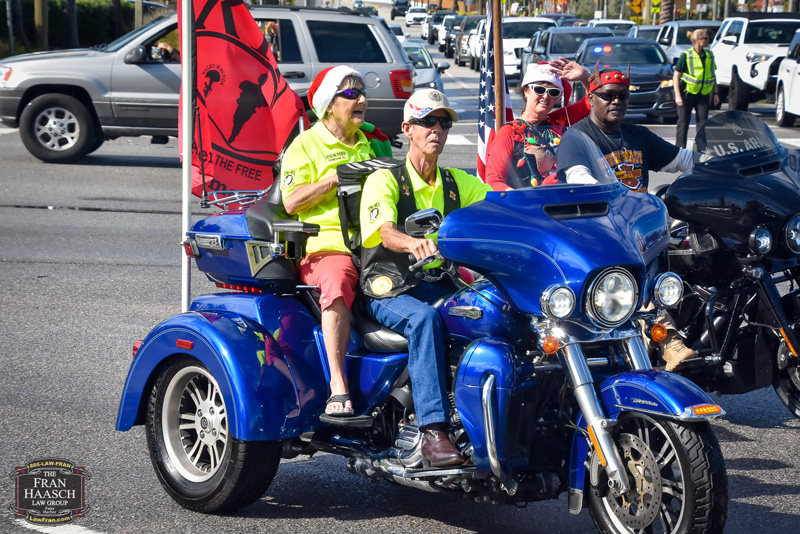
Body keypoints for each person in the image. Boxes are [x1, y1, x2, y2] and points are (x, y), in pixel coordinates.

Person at [359, 89, 491, 467]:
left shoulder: (456, 182)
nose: (437, 129)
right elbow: (384, 231)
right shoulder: (386, 180)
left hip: (439, 282)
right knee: (424, 321)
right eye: (428, 121)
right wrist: (412, 243)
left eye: (444, 122)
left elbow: (498, 203)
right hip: (390, 287)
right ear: (408, 129)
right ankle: (434, 432)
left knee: (495, 310)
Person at [556, 67, 699, 369]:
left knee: (696, 250)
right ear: (591, 97)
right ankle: (669, 341)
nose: (616, 102)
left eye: (622, 96)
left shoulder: (637, 134)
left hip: (642, 230)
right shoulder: (577, 137)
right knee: (640, 274)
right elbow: (578, 177)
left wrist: (718, 165)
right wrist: (613, 197)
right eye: (608, 96)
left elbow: (682, 160)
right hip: (600, 234)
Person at [280, 66, 375, 417]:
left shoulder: (369, 142)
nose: (362, 99)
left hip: (371, 242)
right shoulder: (306, 144)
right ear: (328, 105)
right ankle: (338, 385)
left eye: (362, 92)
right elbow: (291, 201)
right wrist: (333, 179)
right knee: (337, 279)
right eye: (351, 94)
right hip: (327, 246)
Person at [485, 60, 591, 191]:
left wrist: (585, 77)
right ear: (526, 91)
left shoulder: (559, 121)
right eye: (539, 89)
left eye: (553, 92)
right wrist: (518, 198)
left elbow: (592, 103)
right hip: (528, 204)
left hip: (563, 201)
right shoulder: (510, 132)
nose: (546, 96)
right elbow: (494, 181)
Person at [673, 29, 719, 151]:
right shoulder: (686, 55)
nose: (708, 40)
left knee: (703, 122)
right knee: (683, 122)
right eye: (705, 38)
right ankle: (680, 150)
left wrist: (715, 93)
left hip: (703, 94)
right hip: (686, 94)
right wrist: (677, 95)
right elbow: (676, 76)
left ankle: (701, 149)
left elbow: (713, 75)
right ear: (698, 40)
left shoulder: (709, 55)